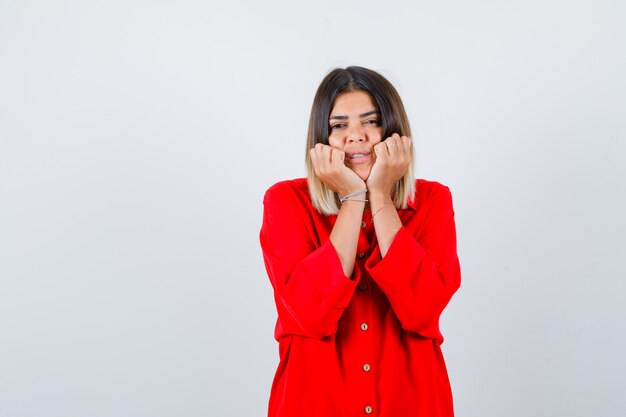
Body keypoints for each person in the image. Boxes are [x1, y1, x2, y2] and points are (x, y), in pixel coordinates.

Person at [259, 66, 461, 417]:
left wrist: (379, 193)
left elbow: (423, 310)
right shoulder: (285, 201)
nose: (356, 136)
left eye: (371, 122)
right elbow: (308, 316)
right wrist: (353, 197)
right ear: (321, 138)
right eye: (339, 126)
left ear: (395, 132)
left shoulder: (433, 200)